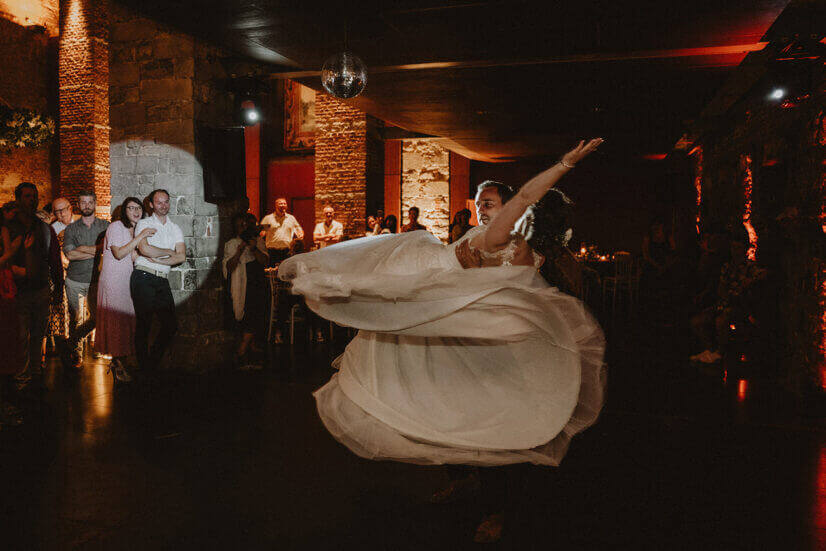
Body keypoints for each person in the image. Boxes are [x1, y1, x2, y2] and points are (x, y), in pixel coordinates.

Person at [279, 139, 605, 543]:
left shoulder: (518, 242)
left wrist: (564, 163)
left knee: (493, 416)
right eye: (479, 204)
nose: (482, 209)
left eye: (490, 203)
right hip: (447, 319)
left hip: (486, 335)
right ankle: (464, 479)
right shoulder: (482, 238)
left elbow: (525, 202)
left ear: (509, 209)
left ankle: (496, 507)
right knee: (451, 405)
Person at [8, 183, 63, 390]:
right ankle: (22, 375)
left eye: (34, 196)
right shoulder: (10, 227)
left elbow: (54, 260)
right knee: (21, 335)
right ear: (18, 199)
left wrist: (58, 288)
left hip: (40, 287)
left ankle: (35, 372)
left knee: (38, 333)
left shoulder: (44, 229)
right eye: (27, 196)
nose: (32, 200)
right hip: (18, 289)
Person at [95, 197, 154, 384]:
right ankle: (118, 365)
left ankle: (120, 363)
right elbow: (119, 253)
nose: (136, 211)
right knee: (117, 321)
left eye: (138, 208)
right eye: (131, 208)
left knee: (126, 322)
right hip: (113, 280)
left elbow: (134, 256)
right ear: (124, 211)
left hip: (128, 280)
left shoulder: (135, 230)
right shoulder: (116, 227)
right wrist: (140, 237)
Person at [689, 226, 767, 364]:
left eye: (738, 248)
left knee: (721, 320)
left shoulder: (749, 267)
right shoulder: (727, 266)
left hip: (740, 306)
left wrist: (748, 283)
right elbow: (722, 289)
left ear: (744, 249)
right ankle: (711, 350)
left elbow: (763, 274)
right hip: (725, 303)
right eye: (733, 248)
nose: (735, 252)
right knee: (697, 322)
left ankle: (721, 352)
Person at [131, 189, 186, 375]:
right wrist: (169, 252)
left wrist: (159, 259)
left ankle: (150, 365)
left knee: (171, 325)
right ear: (151, 204)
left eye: (166, 202)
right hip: (143, 277)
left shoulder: (175, 228)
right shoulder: (144, 223)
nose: (163, 206)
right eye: (159, 202)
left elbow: (181, 256)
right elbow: (144, 249)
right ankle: (145, 370)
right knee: (144, 324)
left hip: (161, 278)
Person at [61, 190, 109, 370]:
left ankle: (71, 341)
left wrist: (82, 248)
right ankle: (76, 355)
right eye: (83, 202)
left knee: (97, 318)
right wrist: (97, 249)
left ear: (95, 203)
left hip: (96, 280)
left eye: (90, 202)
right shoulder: (71, 229)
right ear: (78, 205)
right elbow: (70, 254)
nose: (87, 206)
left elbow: (108, 249)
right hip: (75, 279)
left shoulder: (106, 226)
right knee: (75, 318)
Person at [223, 214, 269, 368]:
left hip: (256, 283)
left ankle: (246, 351)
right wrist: (239, 250)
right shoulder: (231, 244)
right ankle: (243, 351)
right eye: (240, 225)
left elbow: (265, 261)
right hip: (240, 283)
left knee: (255, 314)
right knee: (243, 317)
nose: (243, 228)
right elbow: (229, 267)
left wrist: (253, 248)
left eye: (245, 225)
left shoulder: (258, 241)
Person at [0, 202, 25, 428]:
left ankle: (7, 401)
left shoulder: (4, 229)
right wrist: (12, 250)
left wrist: (12, 251)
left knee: (6, 338)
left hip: (3, 285)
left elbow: (7, 255)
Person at [260, 197, 303, 266]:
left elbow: (298, 229)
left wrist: (300, 233)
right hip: (272, 252)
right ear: (276, 205)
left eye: (284, 203)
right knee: (272, 271)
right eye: (280, 203)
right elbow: (261, 233)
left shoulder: (291, 218)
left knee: (286, 270)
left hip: (287, 251)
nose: (283, 205)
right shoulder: (268, 218)